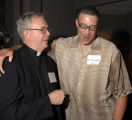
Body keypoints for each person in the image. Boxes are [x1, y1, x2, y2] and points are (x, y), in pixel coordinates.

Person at [0, 7, 132, 120]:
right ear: (76, 23)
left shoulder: (110, 51)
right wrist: (7, 50)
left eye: (92, 27)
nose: (87, 32)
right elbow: (32, 48)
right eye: (83, 26)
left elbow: (122, 93)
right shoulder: (61, 46)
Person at [0, 12, 65, 120]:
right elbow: (8, 113)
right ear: (26, 33)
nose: (48, 33)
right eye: (43, 30)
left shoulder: (50, 62)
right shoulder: (11, 63)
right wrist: (48, 101)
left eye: (48, 29)